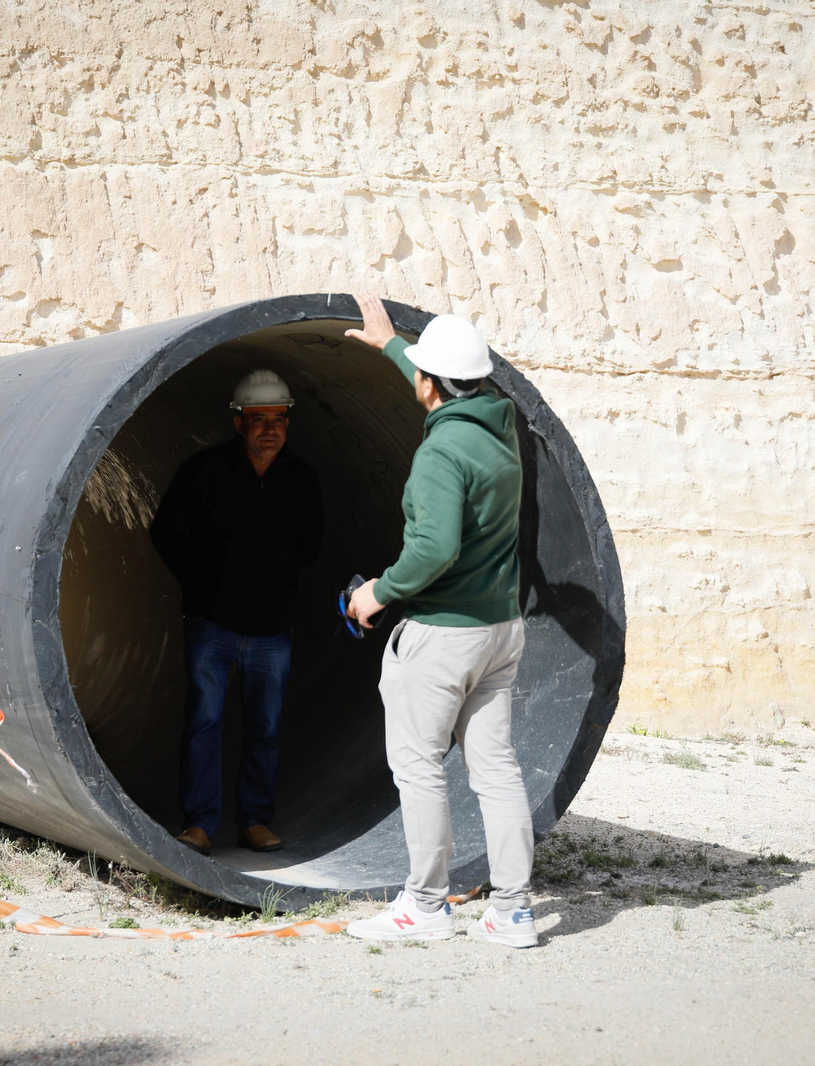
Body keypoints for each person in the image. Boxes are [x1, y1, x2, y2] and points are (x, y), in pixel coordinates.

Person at [340, 294, 537, 948]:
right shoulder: (500, 428)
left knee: (420, 765)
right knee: (497, 770)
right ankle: (512, 910)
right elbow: (450, 389)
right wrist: (395, 345)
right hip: (502, 632)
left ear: (429, 385)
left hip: (444, 635)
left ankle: (425, 905)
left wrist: (378, 593)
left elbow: (433, 549)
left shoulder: (440, 454)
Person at [149, 369, 324, 857]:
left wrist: (278, 583)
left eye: (279, 418)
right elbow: (166, 532)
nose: (270, 428)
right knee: (204, 725)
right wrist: (202, 584)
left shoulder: (301, 479)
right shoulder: (204, 472)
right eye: (258, 418)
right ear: (238, 422)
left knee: (265, 731)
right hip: (213, 626)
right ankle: (200, 824)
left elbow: (313, 544)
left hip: (272, 632)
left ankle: (254, 822)